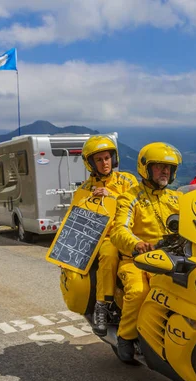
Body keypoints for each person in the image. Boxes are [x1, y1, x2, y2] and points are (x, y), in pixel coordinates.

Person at [110, 142, 182, 362]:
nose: (165, 171)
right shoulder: (130, 197)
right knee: (139, 292)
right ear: (145, 169)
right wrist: (136, 243)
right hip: (137, 261)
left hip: (173, 259)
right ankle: (125, 337)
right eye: (159, 166)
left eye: (168, 168)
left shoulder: (177, 198)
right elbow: (119, 229)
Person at [74, 135, 137, 335]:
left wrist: (112, 196)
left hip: (131, 233)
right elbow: (74, 223)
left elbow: (139, 203)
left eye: (107, 158)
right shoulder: (84, 190)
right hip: (106, 238)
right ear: (91, 163)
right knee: (109, 254)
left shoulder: (127, 180)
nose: (104, 163)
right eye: (99, 160)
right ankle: (102, 305)